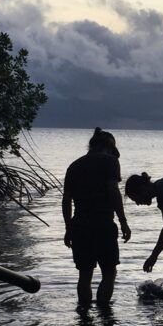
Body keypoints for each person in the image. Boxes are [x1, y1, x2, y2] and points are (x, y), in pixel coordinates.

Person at [62, 127, 131, 307]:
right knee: (109, 273)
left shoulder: (74, 166)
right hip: (103, 225)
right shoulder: (110, 162)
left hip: (79, 226)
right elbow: (113, 191)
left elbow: (66, 200)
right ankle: (104, 314)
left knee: (84, 275)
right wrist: (123, 221)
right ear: (109, 147)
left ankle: (84, 317)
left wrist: (68, 228)